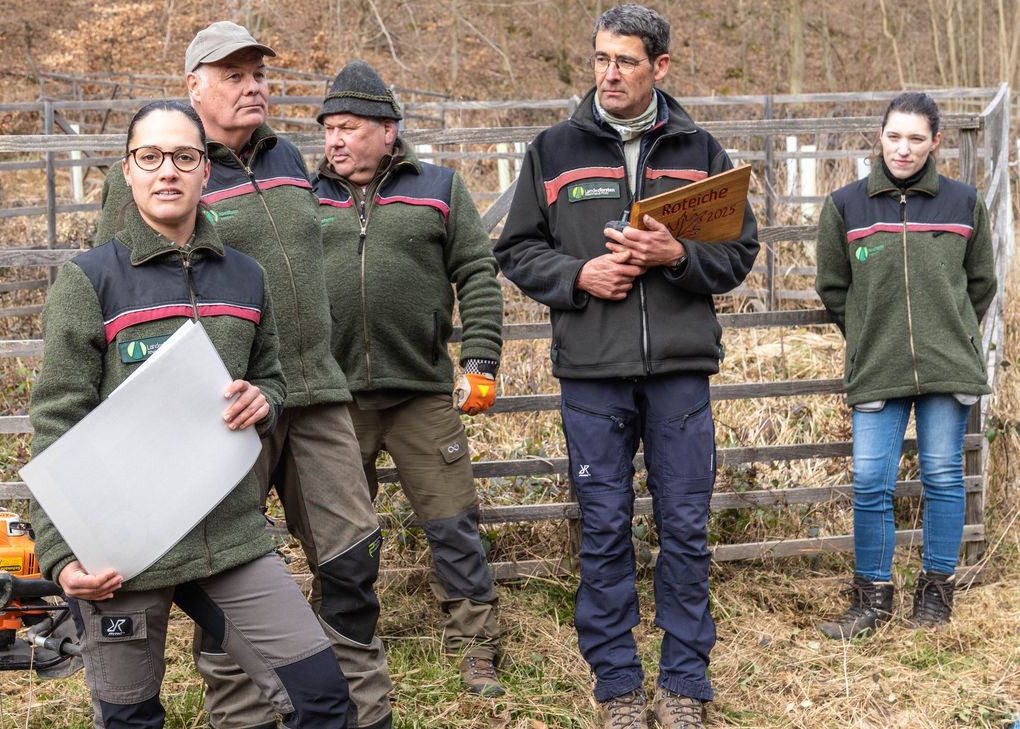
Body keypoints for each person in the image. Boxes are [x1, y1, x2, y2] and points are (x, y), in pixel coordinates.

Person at [96, 22, 392, 729]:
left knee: (351, 558)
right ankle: (244, 716)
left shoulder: (287, 155)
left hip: (315, 392)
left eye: (258, 73)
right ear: (193, 86)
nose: (253, 86)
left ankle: (361, 711)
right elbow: (123, 290)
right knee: (227, 566)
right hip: (222, 407)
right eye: (233, 75)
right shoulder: (160, 171)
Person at [29, 100, 349, 729]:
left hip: (228, 538)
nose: (167, 171)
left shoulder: (247, 278)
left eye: (183, 156)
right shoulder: (89, 282)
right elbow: (56, 421)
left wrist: (264, 401)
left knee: (322, 698)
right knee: (130, 718)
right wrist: (60, 552)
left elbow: (271, 377)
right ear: (128, 170)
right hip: (120, 550)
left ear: (206, 170)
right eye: (150, 157)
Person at [494, 5, 759, 728]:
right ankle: (617, 686)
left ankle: (683, 685)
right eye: (601, 59)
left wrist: (678, 257)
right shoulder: (554, 150)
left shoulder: (700, 150)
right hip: (593, 371)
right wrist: (578, 276)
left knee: (685, 526)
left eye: (626, 61)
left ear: (659, 67)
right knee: (606, 527)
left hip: (679, 372)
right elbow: (516, 249)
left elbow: (738, 254)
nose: (609, 74)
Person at [313, 60, 506, 696]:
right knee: (339, 534)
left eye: (348, 128)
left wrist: (480, 360)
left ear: (388, 131)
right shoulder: (305, 198)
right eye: (328, 129)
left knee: (452, 523)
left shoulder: (440, 188)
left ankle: (475, 644)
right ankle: (340, 644)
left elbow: (477, 274)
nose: (335, 140)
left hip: (421, 393)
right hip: (335, 400)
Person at [815, 92, 996, 640]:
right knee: (871, 480)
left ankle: (936, 594)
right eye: (894, 136)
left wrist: (953, 331)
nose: (903, 148)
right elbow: (833, 286)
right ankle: (872, 598)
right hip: (878, 363)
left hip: (947, 364)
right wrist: (870, 334)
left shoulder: (964, 203)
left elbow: (981, 283)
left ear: (935, 142)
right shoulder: (846, 205)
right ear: (880, 136)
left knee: (942, 475)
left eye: (917, 138)